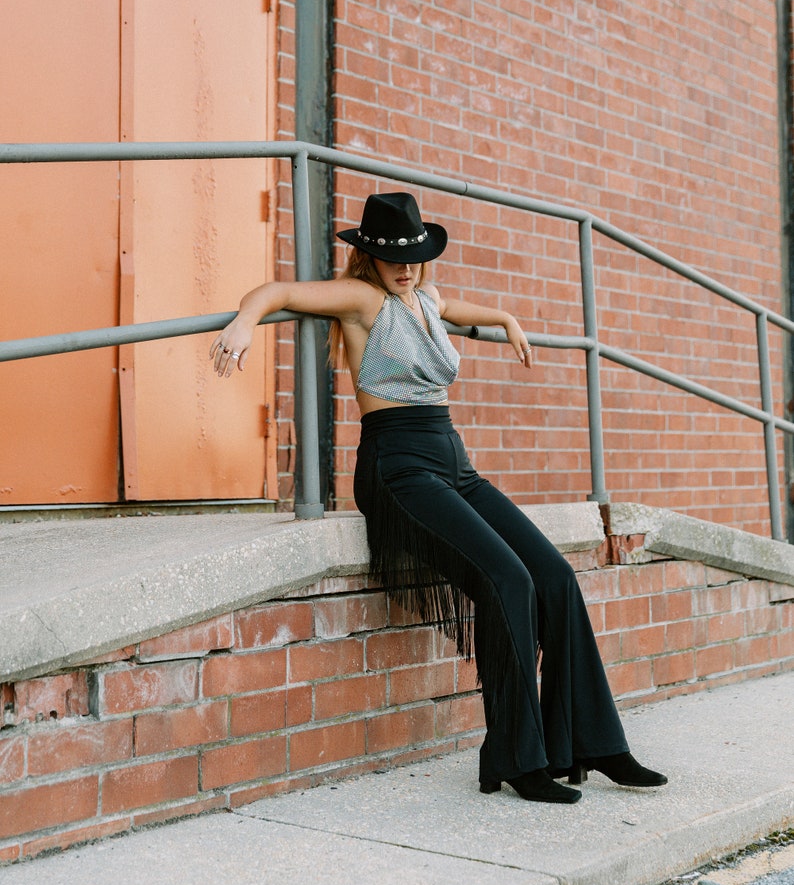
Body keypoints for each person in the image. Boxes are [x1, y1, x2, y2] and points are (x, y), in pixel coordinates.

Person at [211, 191, 667, 805]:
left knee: (555, 576)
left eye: (416, 256)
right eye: (392, 257)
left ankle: (593, 743)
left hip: (453, 461)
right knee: (507, 577)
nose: (406, 267)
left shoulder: (426, 298)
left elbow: (459, 306)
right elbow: (280, 293)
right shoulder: (361, 300)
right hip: (397, 467)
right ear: (368, 258)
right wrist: (244, 320)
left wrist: (505, 319)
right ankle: (514, 757)